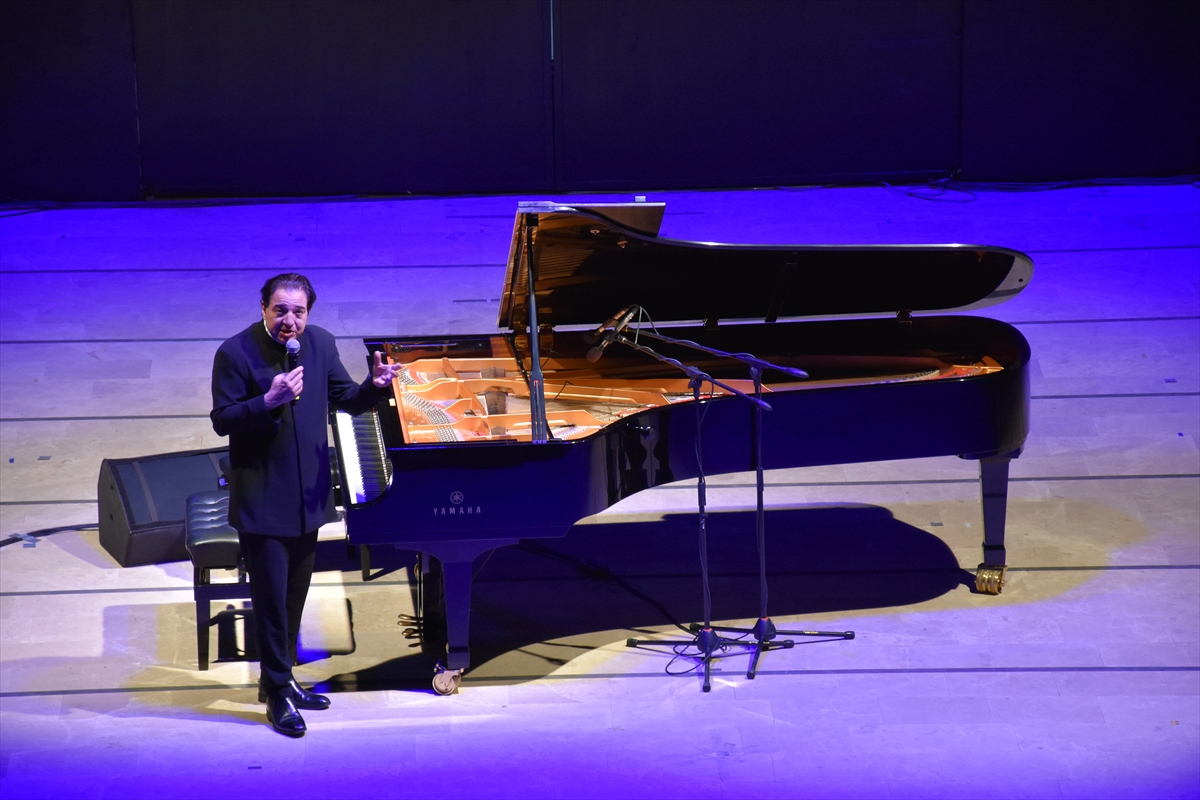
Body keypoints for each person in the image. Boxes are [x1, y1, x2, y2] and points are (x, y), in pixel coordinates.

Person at [210, 273, 401, 737]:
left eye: (298, 312)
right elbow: (222, 420)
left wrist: (375, 386)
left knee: (294, 597)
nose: (289, 321)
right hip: (263, 500)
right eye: (280, 310)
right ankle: (277, 693)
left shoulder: (320, 344)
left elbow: (345, 398)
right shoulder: (235, 353)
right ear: (263, 308)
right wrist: (267, 400)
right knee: (271, 602)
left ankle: (281, 679)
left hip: (308, 498)